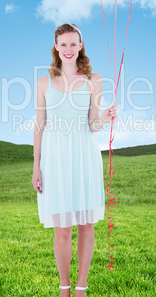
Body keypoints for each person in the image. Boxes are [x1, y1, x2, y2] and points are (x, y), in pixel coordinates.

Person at [32, 23, 117, 297]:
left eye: (73, 43)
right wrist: (36, 165)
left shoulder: (95, 80)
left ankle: (81, 285)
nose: (68, 49)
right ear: (56, 47)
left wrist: (104, 118)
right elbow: (39, 125)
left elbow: (92, 124)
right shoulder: (44, 82)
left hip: (83, 156)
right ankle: (64, 286)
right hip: (54, 159)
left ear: (81, 46)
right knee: (62, 229)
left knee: (86, 223)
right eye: (63, 44)